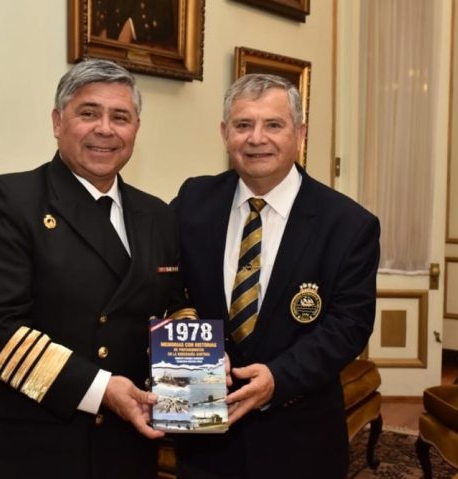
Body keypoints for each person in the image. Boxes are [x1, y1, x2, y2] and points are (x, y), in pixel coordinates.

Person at [0, 59, 196, 479]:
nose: (105, 128)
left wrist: (193, 383)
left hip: (127, 447)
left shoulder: (156, 214)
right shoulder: (8, 202)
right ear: (57, 121)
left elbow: (172, 307)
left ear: (136, 128)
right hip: (34, 450)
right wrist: (102, 390)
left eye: (120, 117)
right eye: (88, 113)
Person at [171, 74, 380, 479]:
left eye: (273, 124)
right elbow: (163, 284)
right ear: (224, 132)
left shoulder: (349, 224)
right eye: (243, 125)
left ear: (300, 133)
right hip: (202, 431)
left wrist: (277, 379)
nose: (256, 138)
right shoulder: (192, 201)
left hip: (299, 436)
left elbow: (349, 325)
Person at [93, 0, 175, 45]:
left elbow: (165, 20)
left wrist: (132, 26)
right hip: (105, 53)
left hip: (139, 53)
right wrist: (102, 29)